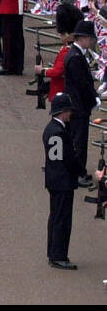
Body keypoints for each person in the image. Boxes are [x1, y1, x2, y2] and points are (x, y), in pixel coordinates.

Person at [43, 92, 78, 269]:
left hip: (53, 179)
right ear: (63, 112)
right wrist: (80, 171)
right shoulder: (60, 132)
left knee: (55, 217)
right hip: (63, 181)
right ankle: (59, 255)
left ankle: (53, 252)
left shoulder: (50, 129)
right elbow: (69, 159)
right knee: (62, 219)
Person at [62, 21, 99, 188]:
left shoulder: (76, 54)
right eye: (90, 38)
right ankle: (78, 173)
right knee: (79, 141)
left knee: (77, 139)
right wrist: (93, 98)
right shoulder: (76, 57)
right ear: (83, 38)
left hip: (77, 105)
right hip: (79, 106)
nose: (91, 42)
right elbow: (82, 84)